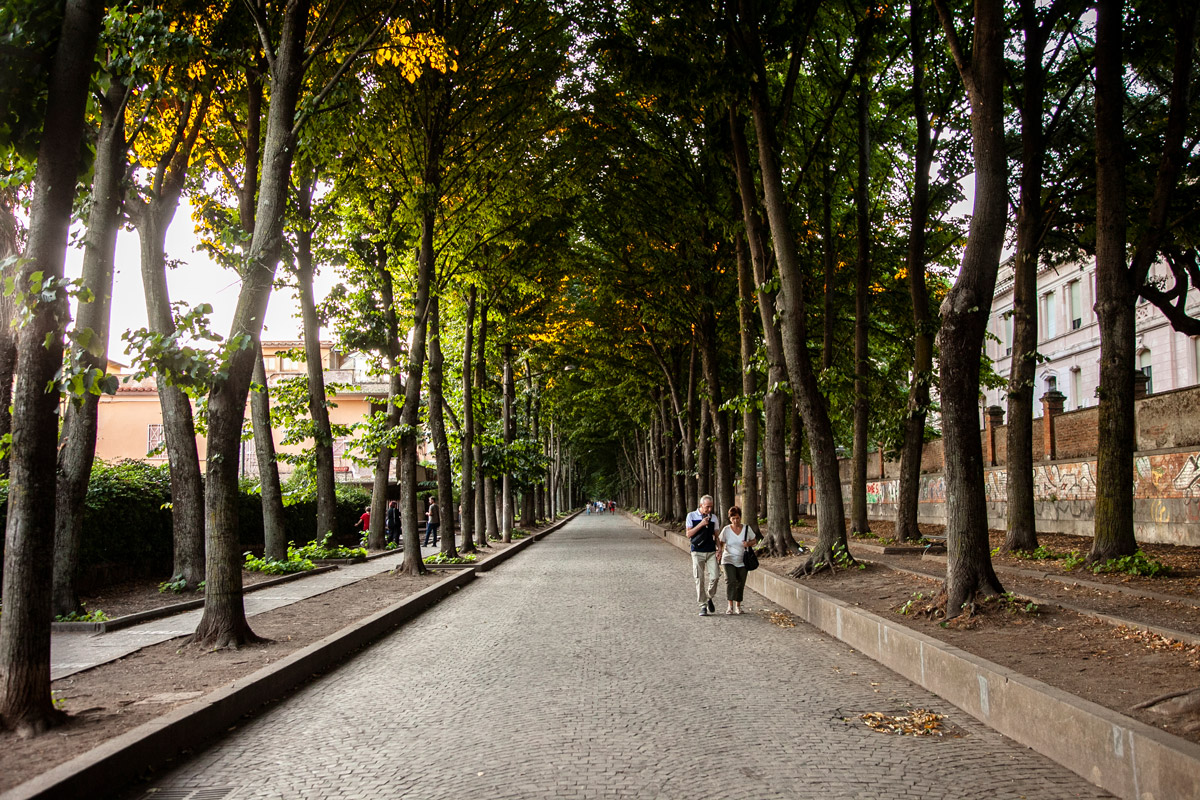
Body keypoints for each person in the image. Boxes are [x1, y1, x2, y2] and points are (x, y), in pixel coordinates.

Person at [716, 505, 757, 615]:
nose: (735, 521)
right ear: (730, 519)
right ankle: (730, 606)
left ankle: (738, 605)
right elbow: (720, 541)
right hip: (728, 558)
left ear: (740, 518)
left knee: (740, 582)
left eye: (737, 518)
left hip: (743, 559)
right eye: (733, 518)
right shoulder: (726, 530)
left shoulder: (746, 529)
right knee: (730, 580)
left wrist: (748, 544)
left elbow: (754, 541)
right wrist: (719, 550)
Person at [684, 495, 719, 616]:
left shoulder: (714, 518)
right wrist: (701, 524)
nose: (709, 510)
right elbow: (688, 534)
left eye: (711, 507)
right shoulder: (691, 516)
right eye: (707, 507)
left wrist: (719, 548)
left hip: (710, 551)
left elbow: (716, 535)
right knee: (699, 578)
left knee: (715, 577)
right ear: (701, 506)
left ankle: (709, 597)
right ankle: (702, 606)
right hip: (697, 551)